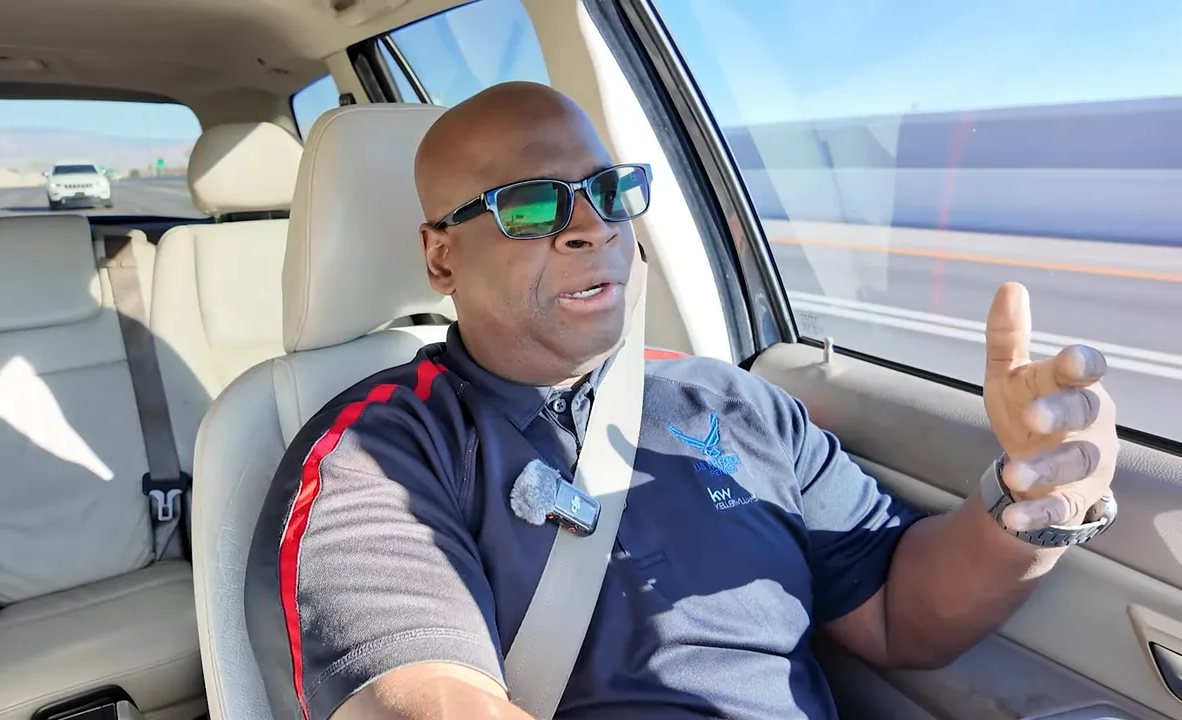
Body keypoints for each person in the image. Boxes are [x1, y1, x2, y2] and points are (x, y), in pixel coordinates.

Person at [246, 82, 1119, 720]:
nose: (591, 225)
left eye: (608, 191)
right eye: (532, 204)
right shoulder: (378, 454)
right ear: (441, 258)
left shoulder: (734, 403)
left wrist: (1027, 507)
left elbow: (895, 616)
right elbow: (425, 699)